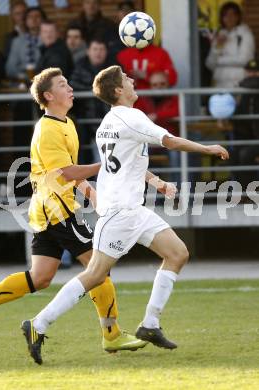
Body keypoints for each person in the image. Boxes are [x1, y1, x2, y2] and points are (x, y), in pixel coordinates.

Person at [21, 65, 229, 364]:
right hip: (119, 211)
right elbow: (170, 141)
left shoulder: (110, 121)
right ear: (118, 90)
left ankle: (150, 325)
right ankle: (38, 324)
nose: (133, 81)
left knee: (177, 253)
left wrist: (158, 183)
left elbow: (129, 161)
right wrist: (208, 149)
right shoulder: (131, 117)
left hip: (133, 208)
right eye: (127, 79)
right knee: (94, 274)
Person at [0, 67, 150, 361]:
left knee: (41, 277)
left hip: (47, 210)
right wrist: (111, 162)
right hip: (58, 210)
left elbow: (70, 174)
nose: (70, 88)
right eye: (63, 85)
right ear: (48, 96)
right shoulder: (47, 129)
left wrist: (92, 193)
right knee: (99, 270)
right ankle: (111, 335)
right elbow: (68, 171)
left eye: (69, 83)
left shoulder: (66, 124)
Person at [70, 39, 113, 163]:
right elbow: (73, 87)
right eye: (95, 49)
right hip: (84, 119)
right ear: (88, 51)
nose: (98, 53)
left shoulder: (113, 69)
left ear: (106, 52)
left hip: (108, 120)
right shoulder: (79, 66)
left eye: (101, 49)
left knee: (106, 161)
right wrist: (97, 90)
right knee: (83, 155)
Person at [136, 71, 180, 183]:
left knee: (177, 157)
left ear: (168, 85)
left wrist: (156, 116)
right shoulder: (142, 99)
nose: (158, 87)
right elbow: (137, 117)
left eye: (162, 84)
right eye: (155, 85)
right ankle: (145, 198)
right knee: (136, 159)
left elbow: (177, 112)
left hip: (169, 142)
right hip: (148, 143)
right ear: (150, 86)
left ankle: (179, 195)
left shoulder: (175, 97)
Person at [205, 2, 255, 88]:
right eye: (226, 15)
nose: (229, 18)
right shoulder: (220, 34)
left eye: (233, 14)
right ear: (222, 17)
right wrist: (217, 48)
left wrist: (219, 61)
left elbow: (245, 60)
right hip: (219, 84)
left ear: (238, 17)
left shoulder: (245, 34)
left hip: (239, 83)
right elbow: (209, 64)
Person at [232, 58, 259, 189]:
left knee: (245, 155)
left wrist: (242, 85)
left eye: (256, 71)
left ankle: (249, 193)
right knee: (231, 155)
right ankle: (242, 193)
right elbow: (233, 110)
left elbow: (254, 84)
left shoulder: (242, 86)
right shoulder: (239, 90)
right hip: (245, 136)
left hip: (256, 138)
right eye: (250, 71)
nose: (253, 74)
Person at [6, 6, 46, 82]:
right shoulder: (17, 41)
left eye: (37, 16)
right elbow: (10, 68)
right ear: (25, 21)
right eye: (30, 17)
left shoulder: (48, 40)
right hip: (21, 83)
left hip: (44, 83)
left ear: (43, 20)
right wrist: (25, 77)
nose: (34, 19)